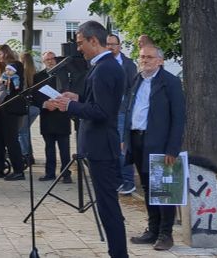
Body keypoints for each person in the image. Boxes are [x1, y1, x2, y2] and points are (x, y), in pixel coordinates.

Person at [48, 20, 129, 258]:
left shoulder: (105, 68)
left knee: (108, 207)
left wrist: (71, 105)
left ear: (94, 40)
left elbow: (102, 112)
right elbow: (97, 101)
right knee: (107, 205)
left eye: (81, 43)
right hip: (99, 145)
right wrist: (77, 97)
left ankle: (118, 254)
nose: (79, 48)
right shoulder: (103, 65)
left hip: (101, 147)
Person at [124, 43, 186, 251]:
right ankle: (152, 229)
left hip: (160, 143)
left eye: (149, 57)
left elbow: (179, 118)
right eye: (142, 57)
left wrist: (172, 148)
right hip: (138, 139)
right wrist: (125, 137)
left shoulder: (170, 82)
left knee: (163, 190)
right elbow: (130, 110)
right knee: (148, 188)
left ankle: (165, 234)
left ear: (160, 61)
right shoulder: (136, 80)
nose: (145, 61)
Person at [0, 45, 27, 181]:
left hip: (10, 107)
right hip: (1, 108)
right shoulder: (0, 70)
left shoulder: (16, 65)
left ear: (7, 52)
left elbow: (15, 88)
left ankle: (18, 171)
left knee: (11, 140)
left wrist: (2, 99)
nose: (0, 56)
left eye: (2, 53)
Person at [107, 33, 139, 195]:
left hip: (121, 111)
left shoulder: (128, 65)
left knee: (122, 147)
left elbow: (132, 89)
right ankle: (117, 179)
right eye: (108, 44)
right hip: (106, 111)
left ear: (119, 46)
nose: (111, 47)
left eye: (114, 44)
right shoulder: (101, 63)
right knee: (111, 146)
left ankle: (128, 181)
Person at [36, 51, 72, 183]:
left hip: (62, 115)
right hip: (47, 116)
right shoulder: (39, 76)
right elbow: (35, 96)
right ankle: (50, 173)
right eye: (47, 60)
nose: (50, 61)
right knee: (49, 147)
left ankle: (66, 173)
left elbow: (69, 90)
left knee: (64, 148)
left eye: (52, 59)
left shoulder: (64, 75)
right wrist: (44, 104)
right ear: (43, 62)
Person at [17, 53, 40, 163]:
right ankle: (30, 155)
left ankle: (26, 155)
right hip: (35, 107)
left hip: (26, 107)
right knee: (25, 131)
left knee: (22, 131)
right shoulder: (35, 73)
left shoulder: (23, 74)